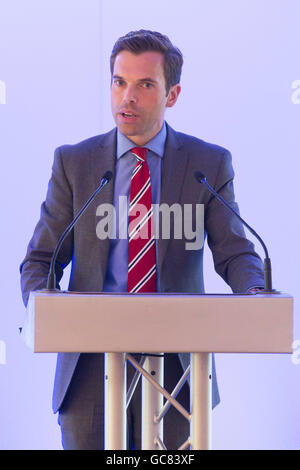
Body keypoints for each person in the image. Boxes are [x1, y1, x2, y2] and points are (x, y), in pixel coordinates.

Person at [20, 30, 265, 450]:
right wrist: (50, 311)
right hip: (88, 366)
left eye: (144, 84)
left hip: (178, 365)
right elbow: (40, 259)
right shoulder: (75, 162)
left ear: (172, 94)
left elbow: (235, 250)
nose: (127, 97)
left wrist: (256, 292)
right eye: (120, 82)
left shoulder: (207, 163)